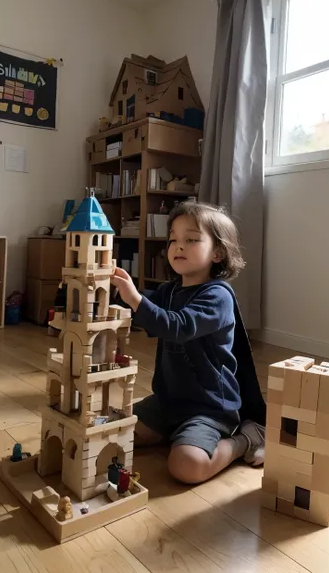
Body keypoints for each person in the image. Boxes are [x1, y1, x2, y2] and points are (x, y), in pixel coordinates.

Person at [111, 201, 266, 485]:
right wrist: (110, 284)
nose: (178, 246)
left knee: (187, 466)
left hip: (209, 407)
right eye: (173, 239)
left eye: (191, 239)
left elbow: (177, 326)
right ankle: (172, 431)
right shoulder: (170, 290)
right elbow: (144, 308)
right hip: (168, 401)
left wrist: (134, 298)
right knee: (115, 432)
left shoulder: (218, 296)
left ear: (218, 252)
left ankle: (246, 438)